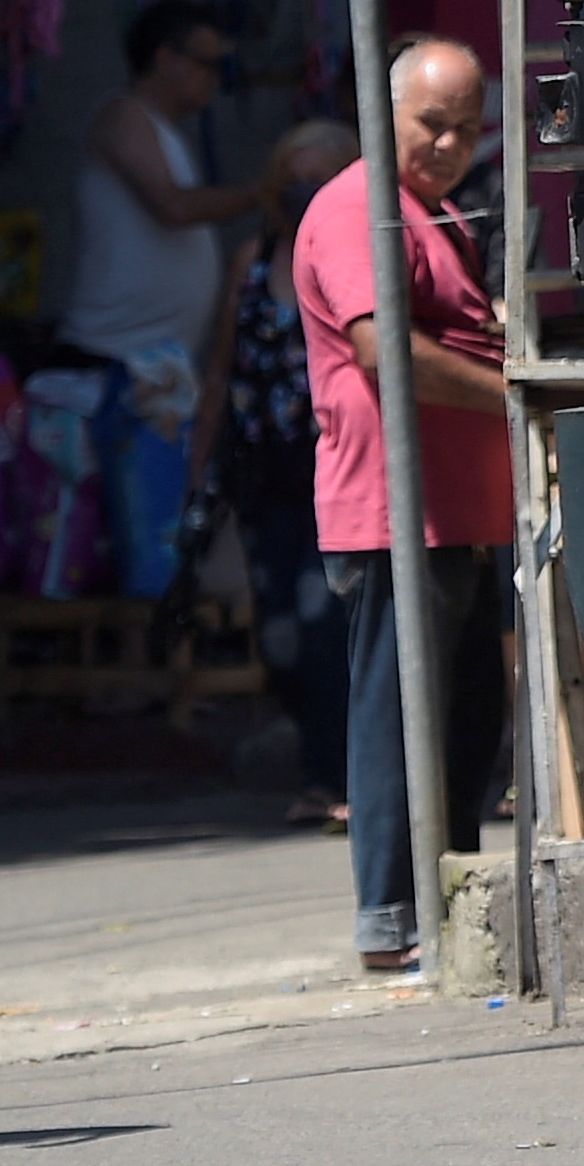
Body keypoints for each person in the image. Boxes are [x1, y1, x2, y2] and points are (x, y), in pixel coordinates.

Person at [293, 37, 517, 970]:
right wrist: (512, 389)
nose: (450, 146)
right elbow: (381, 348)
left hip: (461, 513)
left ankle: (448, 902)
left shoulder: (432, 214)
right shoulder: (358, 208)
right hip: (395, 512)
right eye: (433, 124)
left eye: (466, 130)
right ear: (383, 115)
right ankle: (392, 917)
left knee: (466, 725)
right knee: (398, 721)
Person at [220, 116, 365, 824]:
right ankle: (320, 764)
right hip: (261, 474)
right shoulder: (252, 258)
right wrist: (201, 476)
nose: (302, 191)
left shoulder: (351, 252)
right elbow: (221, 368)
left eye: (318, 177)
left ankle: (329, 778)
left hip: (329, 466)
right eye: (290, 179)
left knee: (324, 626)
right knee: (276, 630)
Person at [64, 0, 272, 459]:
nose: (216, 79)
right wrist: (266, 190)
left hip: (150, 363)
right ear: (164, 58)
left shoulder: (161, 129)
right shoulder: (124, 116)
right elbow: (172, 207)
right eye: (206, 64)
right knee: (138, 521)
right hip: (116, 361)